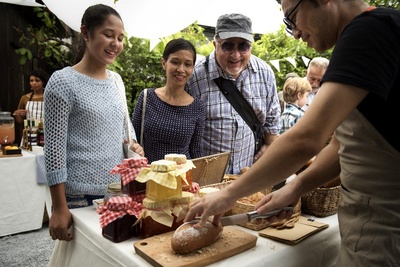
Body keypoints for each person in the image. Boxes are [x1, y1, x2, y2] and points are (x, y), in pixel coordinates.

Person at [185, 1, 400, 266]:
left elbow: (307, 138)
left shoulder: (367, 33)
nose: (295, 32)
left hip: (383, 220)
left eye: (291, 18)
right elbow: (343, 146)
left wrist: (229, 195)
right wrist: (295, 187)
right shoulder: (376, 30)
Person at [44, 4, 143, 242]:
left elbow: (125, 129)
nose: (115, 44)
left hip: (116, 194)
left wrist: (135, 147)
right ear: (86, 33)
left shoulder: (117, 81)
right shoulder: (62, 82)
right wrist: (59, 208)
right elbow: (53, 151)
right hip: (78, 197)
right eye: (108, 35)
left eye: (120, 38)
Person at [185, 13, 281, 174]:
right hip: (206, 179)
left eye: (243, 46)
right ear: (215, 44)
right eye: (228, 46)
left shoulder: (265, 74)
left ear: (251, 46)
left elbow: (272, 123)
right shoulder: (195, 76)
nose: (235, 55)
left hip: (248, 176)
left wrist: (267, 148)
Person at [132, 38, 206, 162]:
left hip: (182, 178)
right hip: (149, 176)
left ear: (192, 68)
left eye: (187, 64)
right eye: (175, 62)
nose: (181, 69)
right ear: (164, 63)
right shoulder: (146, 97)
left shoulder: (197, 107)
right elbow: (133, 140)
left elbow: (196, 151)